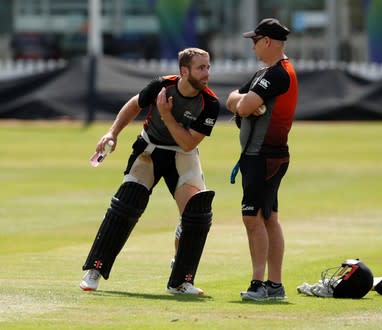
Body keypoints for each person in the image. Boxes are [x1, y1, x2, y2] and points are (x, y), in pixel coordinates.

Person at [80, 47, 220, 296]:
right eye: (201, 68)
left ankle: (181, 281)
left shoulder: (209, 103)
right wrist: (112, 132)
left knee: (196, 213)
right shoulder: (161, 86)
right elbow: (134, 105)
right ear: (184, 71)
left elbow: (188, 143)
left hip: (182, 154)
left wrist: (166, 115)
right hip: (149, 150)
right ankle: (95, 270)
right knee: (127, 202)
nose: (206, 73)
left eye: (208, 67)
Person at [225, 18, 298, 301]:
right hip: (264, 156)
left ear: (267, 41)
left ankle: (259, 285)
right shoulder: (265, 73)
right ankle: (274, 286)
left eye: (255, 41)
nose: (253, 47)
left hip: (263, 156)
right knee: (268, 218)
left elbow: (241, 105)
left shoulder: (277, 74)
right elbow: (232, 99)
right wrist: (241, 103)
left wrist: (242, 104)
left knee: (252, 218)